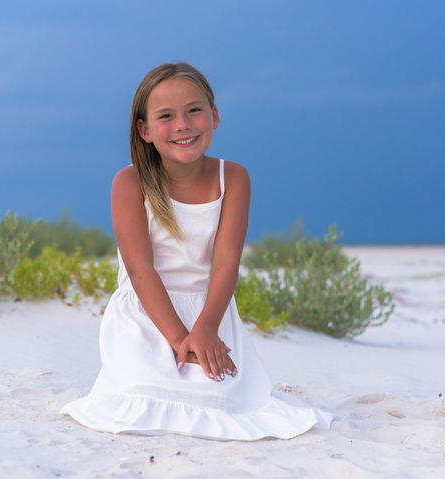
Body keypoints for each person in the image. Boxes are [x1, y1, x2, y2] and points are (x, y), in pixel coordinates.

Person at [60, 62, 333, 440]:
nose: (183, 125)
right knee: (144, 396)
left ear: (214, 116)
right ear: (145, 130)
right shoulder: (129, 182)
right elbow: (140, 269)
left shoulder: (233, 177)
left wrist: (204, 331)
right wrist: (178, 339)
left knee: (222, 402)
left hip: (211, 312)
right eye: (166, 116)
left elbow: (226, 261)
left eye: (194, 110)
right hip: (147, 313)